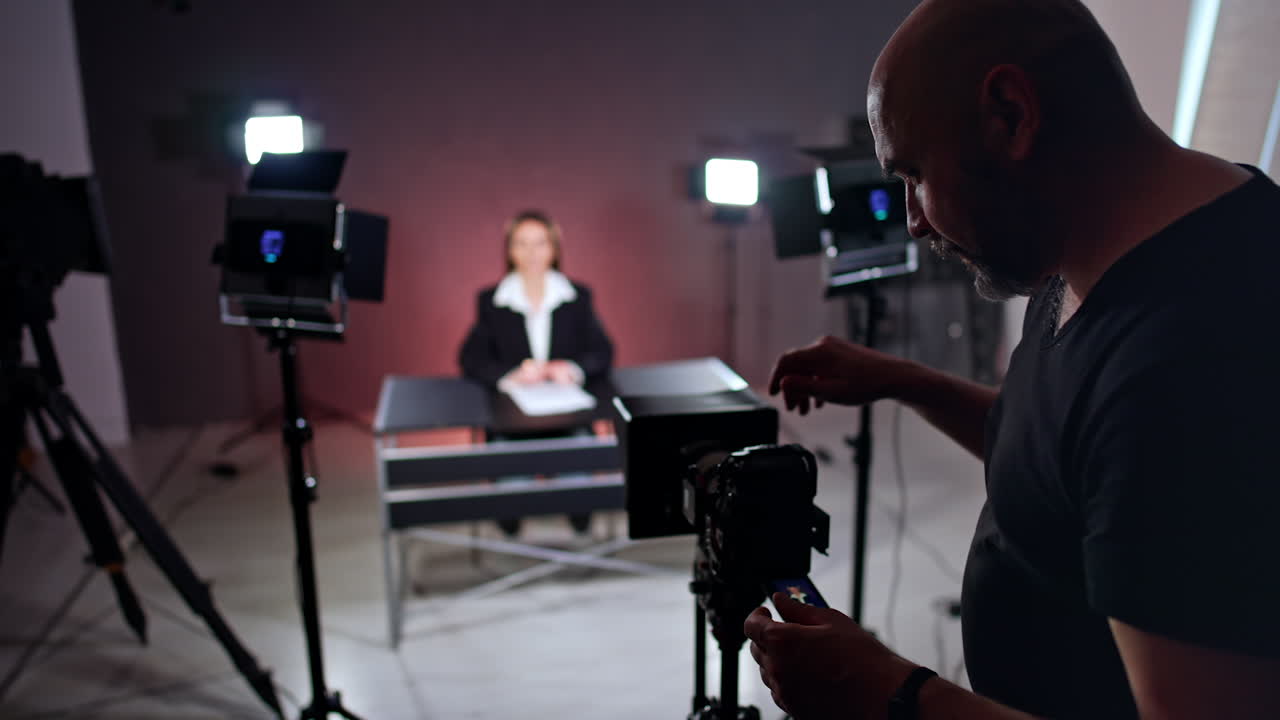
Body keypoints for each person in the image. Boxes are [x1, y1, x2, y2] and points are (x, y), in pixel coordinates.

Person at [745, 1, 1280, 718]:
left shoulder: (1188, 363)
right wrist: (904, 381)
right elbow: (1068, 454)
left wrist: (889, 693)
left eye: (914, 174)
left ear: (1010, 113)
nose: (914, 219)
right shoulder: (1088, 250)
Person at [459, 210, 614, 537]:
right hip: (514, 420)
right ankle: (512, 520)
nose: (531, 254)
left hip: (567, 418)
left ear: (554, 249)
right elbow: (470, 359)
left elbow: (603, 352)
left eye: (540, 244)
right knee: (512, 490)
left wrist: (570, 368)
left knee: (579, 479)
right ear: (510, 250)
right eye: (522, 244)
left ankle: (578, 516)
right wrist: (511, 374)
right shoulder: (492, 301)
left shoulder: (577, 297)